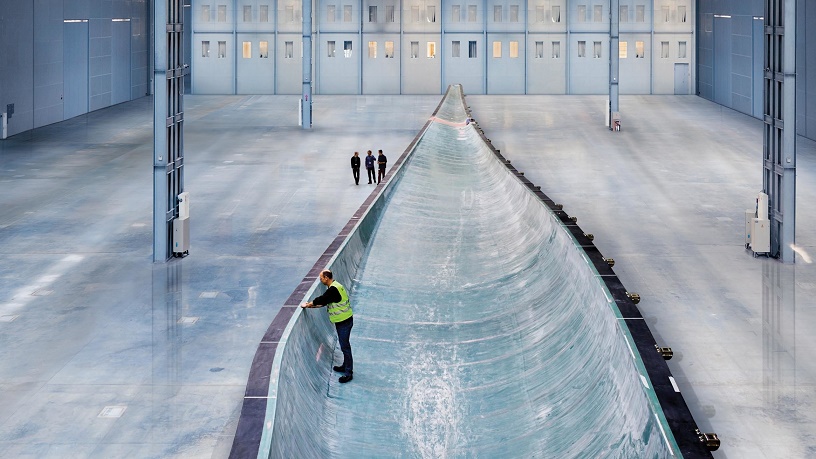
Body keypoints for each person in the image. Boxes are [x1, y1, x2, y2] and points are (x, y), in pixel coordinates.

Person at [301, 269, 354, 383]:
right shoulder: (335, 286)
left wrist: (309, 303)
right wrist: (311, 306)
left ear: (326, 278)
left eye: (321, 278)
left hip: (344, 322)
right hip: (343, 320)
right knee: (344, 345)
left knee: (345, 346)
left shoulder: (333, 290)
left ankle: (348, 373)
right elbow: (325, 302)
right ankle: (345, 366)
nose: (320, 280)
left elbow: (322, 299)